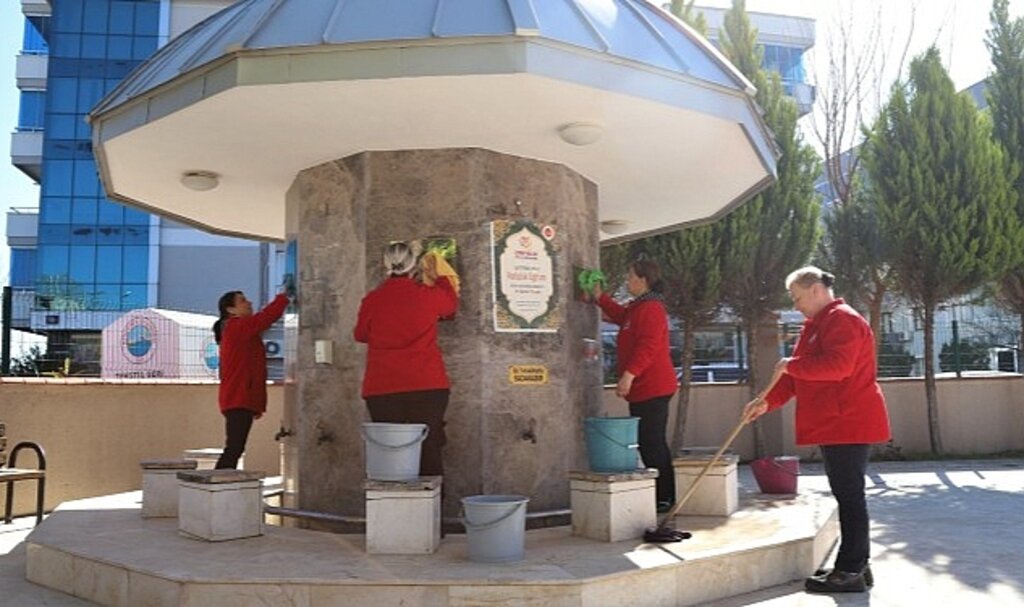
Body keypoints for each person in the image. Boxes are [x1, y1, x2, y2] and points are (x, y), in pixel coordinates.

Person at [742, 266, 891, 594]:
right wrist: (766, 403)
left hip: (848, 421)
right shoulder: (815, 326)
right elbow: (795, 379)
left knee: (850, 496)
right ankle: (856, 566)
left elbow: (839, 367)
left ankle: (850, 569)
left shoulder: (844, 321)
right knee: (847, 494)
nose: (795, 305)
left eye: (796, 297)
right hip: (835, 422)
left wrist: (791, 365)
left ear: (814, 290)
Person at [354, 241, 459, 478]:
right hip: (427, 383)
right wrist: (439, 278)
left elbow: (360, 334)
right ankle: (430, 508)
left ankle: (394, 508)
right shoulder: (427, 295)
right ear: (415, 266)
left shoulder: (372, 299)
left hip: (382, 386)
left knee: (391, 452)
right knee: (429, 445)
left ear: (386, 265)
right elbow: (451, 306)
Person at [590, 259, 678, 512]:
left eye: (630, 277)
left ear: (643, 279)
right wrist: (600, 298)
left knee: (652, 442)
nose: (628, 281)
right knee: (647, 441)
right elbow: (622, 317)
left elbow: (648, 346)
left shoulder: (651, 308)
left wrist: (629, 375)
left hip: (653, 386)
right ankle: (662, 494)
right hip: (644, 388)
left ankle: (665, 496)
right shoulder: (638, 308)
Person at [213, 289, 289, 469]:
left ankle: (219, 485)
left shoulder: (237, 329)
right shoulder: (237, 326)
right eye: (242, 301)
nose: (249, 303)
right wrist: (284, 298)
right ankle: (215, 486)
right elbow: (266, 318)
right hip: (239, 398)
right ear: (230, 310)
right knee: (234, 448)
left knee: (235, 447)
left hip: (238, 398)